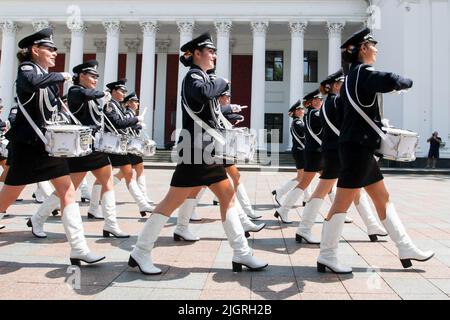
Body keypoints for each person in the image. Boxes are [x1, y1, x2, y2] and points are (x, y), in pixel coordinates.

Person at [128, 32, 268, 275]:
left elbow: (209, 110)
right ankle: (140, 252)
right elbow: (202, 94)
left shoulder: (202, 77)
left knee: (227, 196)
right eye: (210, 51)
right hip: (197, 150)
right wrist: (223, 82)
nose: (214, 55)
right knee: (172, 202)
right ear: (196, 55)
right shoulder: (193, 76)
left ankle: (242, 253)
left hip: (205, 150)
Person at [316, 28, 434, 274]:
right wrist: (408, 82)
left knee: (382, 198)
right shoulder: (362, 74)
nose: (377, 49)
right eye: (373, 45)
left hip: (360, 148)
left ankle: (405, 246)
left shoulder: (350, 79)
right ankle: (327, 255)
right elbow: (392, 79)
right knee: (341, 203)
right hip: (357, 149)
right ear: (363, 49)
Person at [0, 27, 104, 265]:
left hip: (48, 145)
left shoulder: (47, 77)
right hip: (27, 145)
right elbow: (32, 82)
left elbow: (55, 109)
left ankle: (78, 247)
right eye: (50, 49)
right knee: (8, 196)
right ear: (35, 50)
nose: (55, 53)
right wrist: (62, 76)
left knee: (68, 191)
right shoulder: (28, 70)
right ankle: (44, 225)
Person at [28, 60, 129, 239]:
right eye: (92, 76)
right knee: (71, 188)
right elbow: (86, 95)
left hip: (92, 145)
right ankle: (38, 218)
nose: (95, 79)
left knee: (102, 183)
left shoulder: (90, 95)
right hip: (81, 146)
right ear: (81, 76)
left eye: (97, 77)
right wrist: (102, 94)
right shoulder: (75, 91)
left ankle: (110, 224)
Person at [295, 69, 387, 245]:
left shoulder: (329, 103)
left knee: (354, 190)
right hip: (339, 153)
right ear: (336, 85)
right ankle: (305, 229)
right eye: (343, 83)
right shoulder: (337, 102)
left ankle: (372, 225)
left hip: (334, 152)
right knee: (325, 191)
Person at [88, 79, 154, 218]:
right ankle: (142, 203)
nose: (124, 93)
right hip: (111, 145)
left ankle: (94, 208)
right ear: (113, 92)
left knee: (113, 176)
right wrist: (137, 120)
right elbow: (118, 123)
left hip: (116, 145)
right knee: (120, 175)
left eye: (124, 91)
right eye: (121, 91)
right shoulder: (109, 106)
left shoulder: (117, 106)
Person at [274, 89, 324, 224]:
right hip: (305, 152)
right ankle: (282, 199)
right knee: (303, 179)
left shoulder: (304, 118)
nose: (301, 110)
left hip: (308, 152)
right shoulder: (299, 121)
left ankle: (297, 202)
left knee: (306, 179)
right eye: (299, 109)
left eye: (320, 100)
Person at [115, 92, 154, 204]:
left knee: (137, 169)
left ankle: (143, 195)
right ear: (128, 103)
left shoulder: (132, 114)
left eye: (137, 101)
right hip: (129, 146)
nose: (137, 103)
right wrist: (138, 124)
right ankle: (105, 188)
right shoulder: (128, 114)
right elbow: (125, 126)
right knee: (126, 173)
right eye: (135, 101)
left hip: (134, 146)